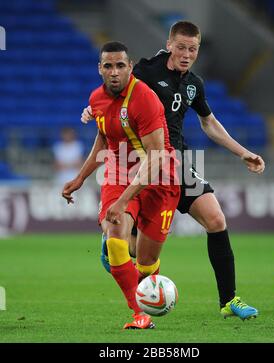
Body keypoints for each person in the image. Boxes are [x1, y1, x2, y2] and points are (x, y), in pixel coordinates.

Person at [82, 21, 265, 321]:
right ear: (169, 44)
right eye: (181, 47)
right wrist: (92, 110)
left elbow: (209, 123)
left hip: (178, 165)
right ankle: (138, 299)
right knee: (142, 257)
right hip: (142, 165)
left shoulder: (194, 83)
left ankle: (229, 300)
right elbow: (112, 91)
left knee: (216, 219)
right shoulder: (147, 70)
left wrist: (243, 152)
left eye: (192, 49)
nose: (186, 54)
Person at [62, 41, 180, 329]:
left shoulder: (145, 99)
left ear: (130, 67)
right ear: (100, 69)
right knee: (116, 240)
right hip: (119, 173)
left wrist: (124, 200)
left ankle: (133, 261)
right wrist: (80, 177)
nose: (114, 72)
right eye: (108, 66)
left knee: (146, 262)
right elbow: (104, 138)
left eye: (120, 66)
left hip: (159, 178)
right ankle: (138, 313)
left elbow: (154, 160)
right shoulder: (96, 99)